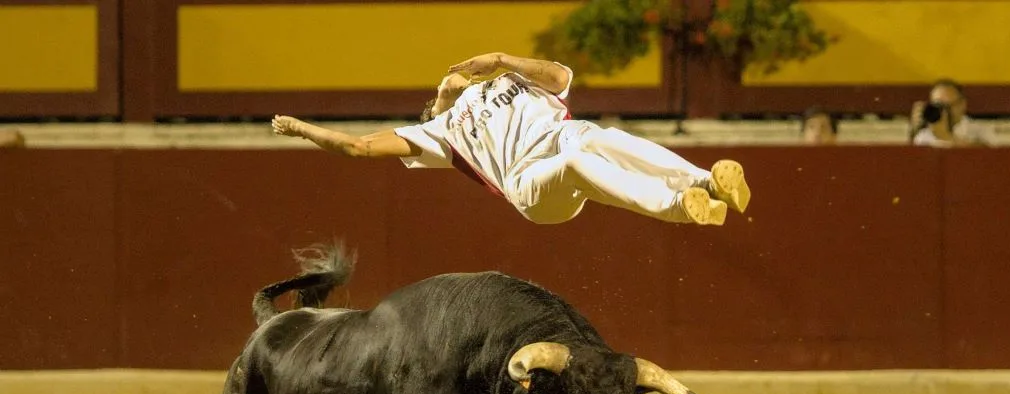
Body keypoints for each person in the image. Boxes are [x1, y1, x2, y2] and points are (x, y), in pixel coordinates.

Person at [272, 52, 750, 226]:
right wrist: (300, 129)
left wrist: (502, 58)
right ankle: (674, 207)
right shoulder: (439, 133)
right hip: (532, 184)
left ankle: (706, 185)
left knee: (600, 137)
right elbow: (358, 147)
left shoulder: (504, 80)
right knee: (578, 159)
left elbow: (560, 75)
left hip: (565, 137)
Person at [910, 79, 996, 148]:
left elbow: (988, 156)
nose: (944, 112)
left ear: (962, 104)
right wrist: (914, 131)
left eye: (947, 106)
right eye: (938, 106)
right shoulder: (924, 136)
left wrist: (946, 137)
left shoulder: (980, 131)